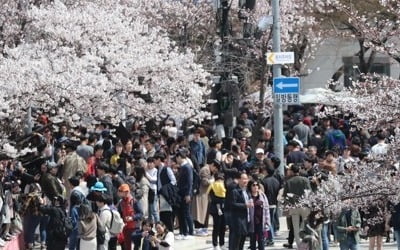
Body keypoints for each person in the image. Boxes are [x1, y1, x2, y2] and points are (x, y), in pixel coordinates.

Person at [284, 163, 312, 248]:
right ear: (298, 171)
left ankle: (299, 245)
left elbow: (285, 196)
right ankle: (306, 244)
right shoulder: (305, 180)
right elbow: (309, 192)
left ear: (292, 171)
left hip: (294, 206)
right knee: (305, 226)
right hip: (304, 206)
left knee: (296, 228)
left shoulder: (288, 182)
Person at [175, 148, 194, 240]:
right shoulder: (182, 167)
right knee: (181, 213)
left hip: (186, 193)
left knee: (186, 213)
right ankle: (183, 232)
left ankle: (190, 232)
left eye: (177, 158)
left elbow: (190, 182)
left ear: (179, 157)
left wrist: (188, 194)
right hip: (181, 193)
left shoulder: (187, 167)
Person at [230, 172, 252, 250]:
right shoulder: (235, 191)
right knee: (236, 240)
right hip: (238, 219)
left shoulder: (247, 191)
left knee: (243, 239)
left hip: (246, 219)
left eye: (246, 179)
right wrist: (245, 206)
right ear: (239, 180)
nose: (245, 181)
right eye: (243, 179)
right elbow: (232, 204)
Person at [118, 183, 143, 250]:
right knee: (127, 246)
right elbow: (119, 214)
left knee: (136, 246)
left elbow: (141, 214)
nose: (121, 193)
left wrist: (132, 218)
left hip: (135, 228)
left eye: (122, 191)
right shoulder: (121, 202)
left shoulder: (134, 201)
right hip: (125, 228)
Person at [248, 179, 270, 250]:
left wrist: (267, 221)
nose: (255, 187)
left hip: (261, 221)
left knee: (261, 240)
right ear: (250, 187)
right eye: (253, 185)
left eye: (257, 185)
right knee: (252, 240)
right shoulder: (248, 196)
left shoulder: (262, 196)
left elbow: (266, 208)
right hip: (252, 221)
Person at [261, 167, 280, 246]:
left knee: (268, 222)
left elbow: (262, 193)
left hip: (267, 204)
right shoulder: (276, 181)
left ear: (266, 171)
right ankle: (269, 238)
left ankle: (270, 239)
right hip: (274, 203)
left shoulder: (264, 181)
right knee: (270, 221)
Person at [208, 172, 226, 250]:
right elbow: (213, 198)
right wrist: (220, 201)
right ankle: (215, 244)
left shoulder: (224, 187)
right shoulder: (212, 187)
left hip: (224, 208)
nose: (220, 181)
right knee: (216, 227)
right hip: (216, 209)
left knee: (223, 226)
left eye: (221, 179)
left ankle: (222, 243)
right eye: (219, 179)